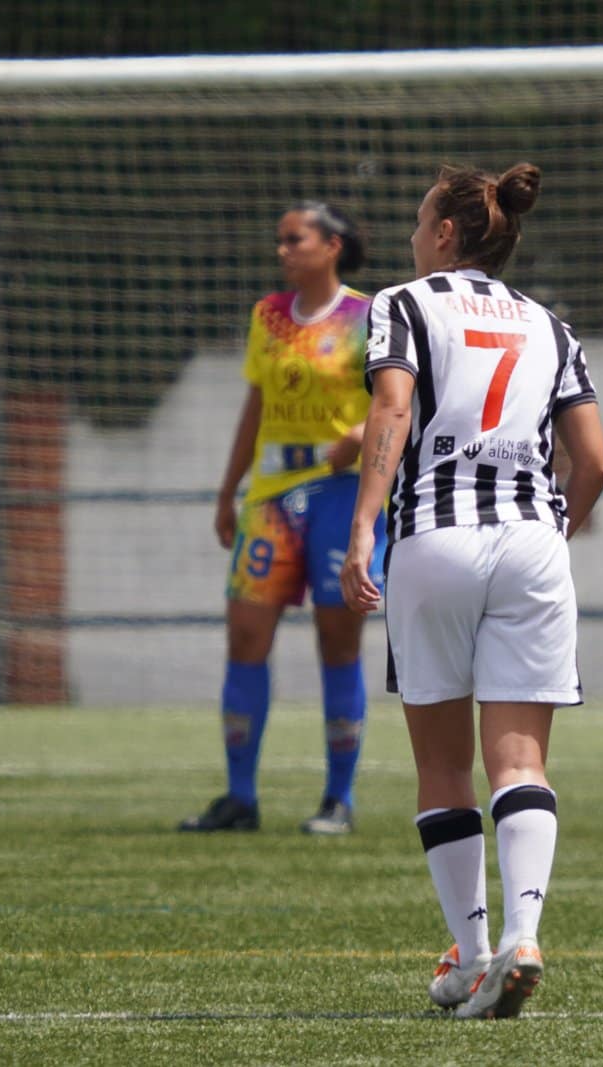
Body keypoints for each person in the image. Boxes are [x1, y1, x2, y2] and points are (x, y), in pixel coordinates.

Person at [339, 163, 603, 1020]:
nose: (415, 238)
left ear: (447, 234)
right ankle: (525, 936)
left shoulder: (403, 303)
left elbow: (390, 411)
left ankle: (473, 953)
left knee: (443, 761)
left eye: (421, 224)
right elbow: (595, 460)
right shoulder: (550, 325)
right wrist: (558, 526)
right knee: (520, 759)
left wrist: (361, 531)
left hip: (435, 540)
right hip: (533, 542)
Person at [179, 201, 385, 836]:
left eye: (294, 239)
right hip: (271, 496)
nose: (283, 250)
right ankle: (240, 797)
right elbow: (256, 404)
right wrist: (227, 490)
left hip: (339, 493)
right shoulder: (267, 315)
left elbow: (402, 403)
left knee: (337, 642)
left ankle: (338, 799)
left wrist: (357, 432)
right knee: (245, 637)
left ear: (332, 246)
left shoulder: (368, 315)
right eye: (279, 240)